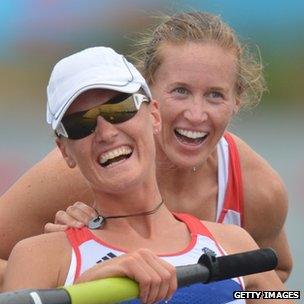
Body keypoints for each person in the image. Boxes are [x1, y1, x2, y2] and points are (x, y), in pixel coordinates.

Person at [0, 12, 292, 285]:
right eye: (180, 91)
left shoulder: (258, 191)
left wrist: (199, 287)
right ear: (151, 97)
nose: (195, 114)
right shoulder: (84, 165)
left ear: (235, 103)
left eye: (215, 95)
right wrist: (62, 274)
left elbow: (276, 276)